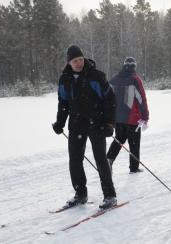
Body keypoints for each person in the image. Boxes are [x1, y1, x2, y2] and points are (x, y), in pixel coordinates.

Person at [52, 45, 117, 209]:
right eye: (75, 61)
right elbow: (63, 103)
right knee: (74, 161)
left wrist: (109, 123)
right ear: (69, 62)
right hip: (76, 125)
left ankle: (110, 196)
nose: (79, 63)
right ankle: (80, 194)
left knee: (101, 160)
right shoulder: (65, 79)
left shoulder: (96, 76)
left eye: (81, 59)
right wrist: (60, 123)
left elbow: (110, 100)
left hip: (97, 124)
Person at [107, 57, 149, 173]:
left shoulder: (114, 80)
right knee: (134, 143)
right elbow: (141, 100)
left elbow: (107, 99)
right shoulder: (135, 79)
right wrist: (145, 117)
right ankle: (134, 167)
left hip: (118, 118)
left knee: (119, 139)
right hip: (132, 118)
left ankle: (109, 158)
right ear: (134, 66)